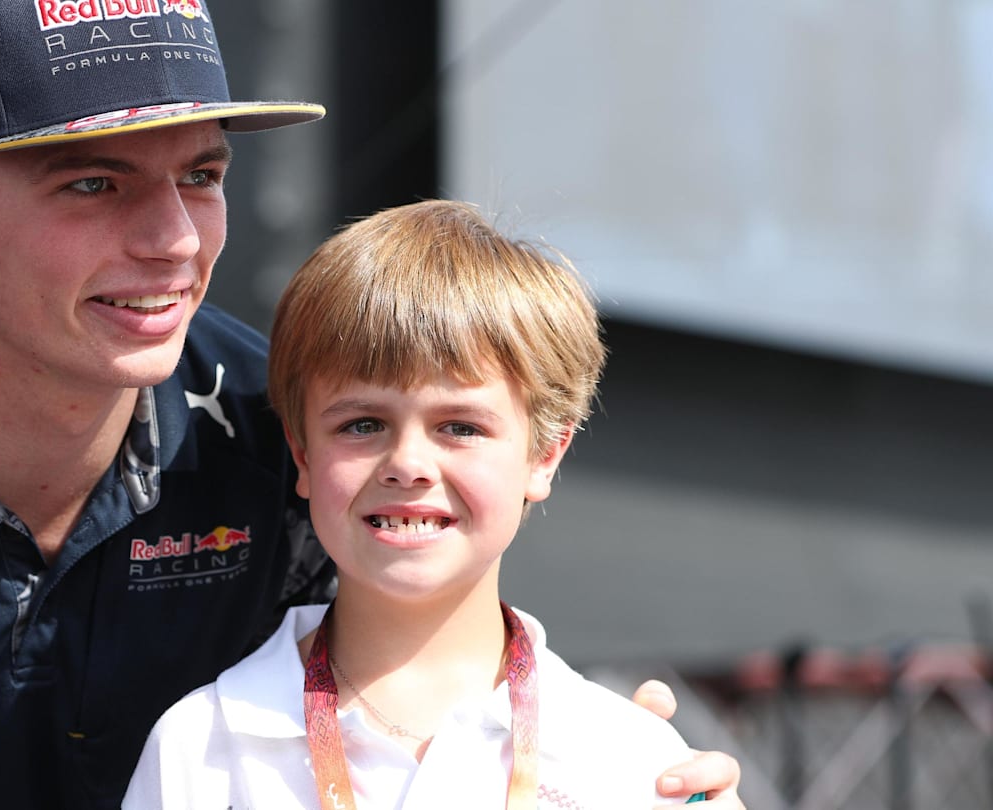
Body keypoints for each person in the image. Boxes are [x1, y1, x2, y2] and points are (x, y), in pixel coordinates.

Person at [0, 1, 742, 808]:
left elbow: (430, 658)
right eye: (93, 181)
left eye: (205, 177)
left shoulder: (268, 431)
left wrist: (610, 758)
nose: (174, 241)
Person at [124, 200, 716, 808]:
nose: (407, 465)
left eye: (459, 427)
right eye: (362, 425)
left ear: (544, 456)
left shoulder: (628, 757)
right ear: (302, 455)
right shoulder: (201, 748)